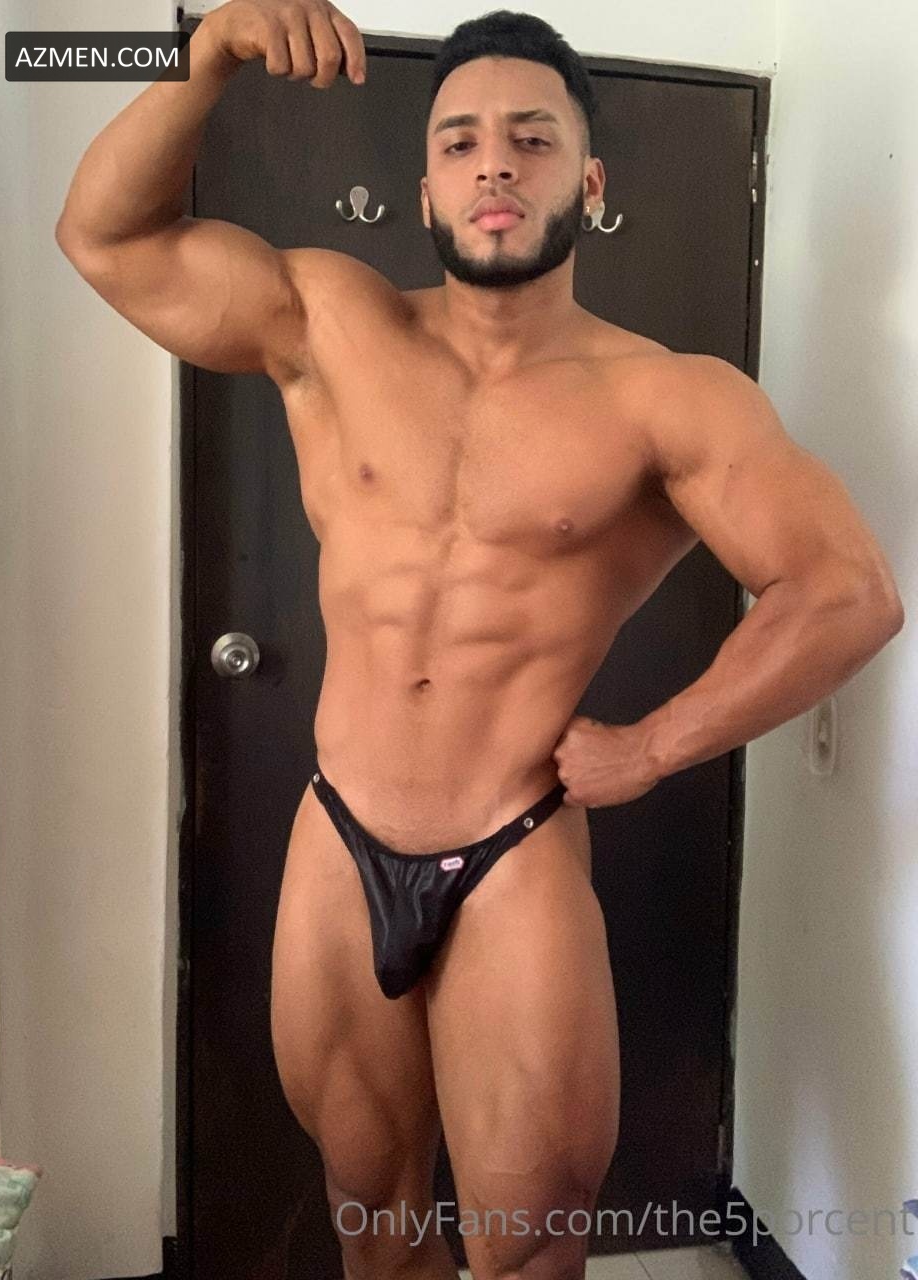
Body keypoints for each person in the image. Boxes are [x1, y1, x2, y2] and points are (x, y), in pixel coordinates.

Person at [54, 3, 904, 1276]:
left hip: (512, 848)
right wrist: (208, 51)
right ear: (426, 188)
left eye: (531, 138)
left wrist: (655, 745)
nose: (493, 163)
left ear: (590, 183)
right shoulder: (330, 323)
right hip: (340, 833)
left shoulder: (669, 397)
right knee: (371, 1213)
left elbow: (846, 589)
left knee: (528, 1243)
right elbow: (106, 237)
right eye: (459, 142)